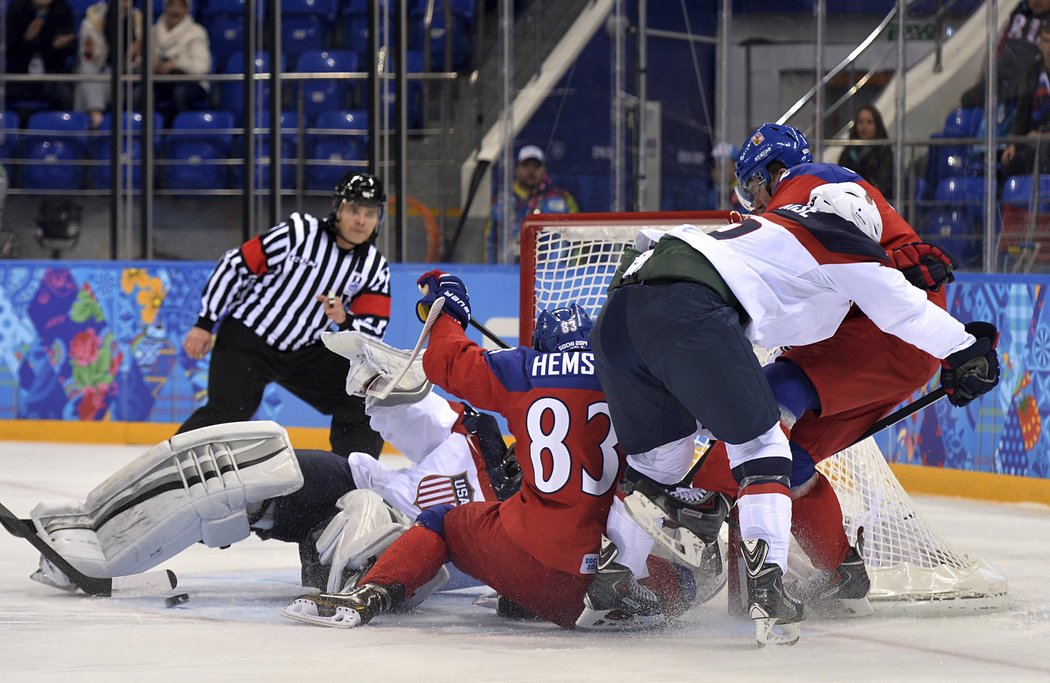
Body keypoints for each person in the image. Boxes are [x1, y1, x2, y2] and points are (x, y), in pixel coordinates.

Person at [589, 179, 1000, 646]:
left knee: (655, 464)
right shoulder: (835, 236)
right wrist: (968, 348)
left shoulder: (767, 226)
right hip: (687, 308)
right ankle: (769, 592)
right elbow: (903, 311)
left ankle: (613, 584)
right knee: (765, 446)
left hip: (620, 312)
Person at [282, 288, 696, 631]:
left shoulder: (525, 368)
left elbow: (446, 361)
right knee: (685, 580)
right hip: (598, 577)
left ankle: (371, 593)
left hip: (526, 558)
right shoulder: (633, 381)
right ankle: (623, 600)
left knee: (442, 520)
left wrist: (447, 308)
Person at [177, 171, 390, 458]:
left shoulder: (375, 268)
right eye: (354, 210)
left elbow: (373, 334)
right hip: (249, 338)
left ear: (379, 219)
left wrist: (344, 320)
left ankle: (349, 478)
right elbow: (236, 265)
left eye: (370, 213)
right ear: (338, 209)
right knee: (227, 412)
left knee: (364, 397)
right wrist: (205, 323)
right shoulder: (299, 232)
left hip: (303, 352)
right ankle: (167, 471)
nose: (361, 220)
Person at [960, 0, 1050, 136]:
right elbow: (1000, 47)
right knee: (967, 99)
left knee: (1022, 97)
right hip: (1001, 78)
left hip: (1026, 80)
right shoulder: (1018, 12)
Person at [486, 145, 579, 263]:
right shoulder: (500, 200)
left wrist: (573, 272)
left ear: (543, 170)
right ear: (517, 169)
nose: (531, 171)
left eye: (536, 166)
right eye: (526, 166)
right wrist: (490, 269)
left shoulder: (563, 199)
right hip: (509, 270)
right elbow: (490, 241)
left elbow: (577, 241)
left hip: (553, 273)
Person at [73, 0, 144, 129]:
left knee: (82, 88)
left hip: (128, 78)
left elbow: (144, 58)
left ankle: (87, 126)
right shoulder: (95, 16)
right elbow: (87, 55)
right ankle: (95, 114)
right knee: (86, 69)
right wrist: (90, 51)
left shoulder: (138, 19)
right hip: (104, 73)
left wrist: (135, 53)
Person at [4, 0, 77, 113]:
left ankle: (60, 127)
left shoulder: (63, 9)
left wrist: (59, 46)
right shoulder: (16, 9)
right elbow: (9, 48)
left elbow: (71, 47)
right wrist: (26, 38)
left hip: (51, 75)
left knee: (65, 94)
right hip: (19, 75)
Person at [150, 0, 211, 127]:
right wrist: (151, 65)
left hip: (189, 82)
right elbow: (140, 61)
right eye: (171, 5)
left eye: (180, 6)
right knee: (140, 93)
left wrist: (175, 64)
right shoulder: (153, 32)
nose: (175, 10)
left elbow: (202, 67)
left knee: (180, 93)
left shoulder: (196, 32)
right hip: (159, 82)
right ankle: (147, 134)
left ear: (187, 9)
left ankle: (180, 134)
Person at [1000, 23, 1050, 177]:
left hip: (1044, 141)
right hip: (1033, 140)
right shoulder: (1033, 71)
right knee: (1012, 162)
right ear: (1040, 44)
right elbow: (1023, 110)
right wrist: (1013, 144)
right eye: (1046, 41)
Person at [837, 105, 894, 201]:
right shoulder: (848, 151)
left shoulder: (883, 151)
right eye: (860, 122)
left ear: (877, 126)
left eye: (869, 122)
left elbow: (882, 184)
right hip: (849, 200)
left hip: (875, 201)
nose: (864, 126)